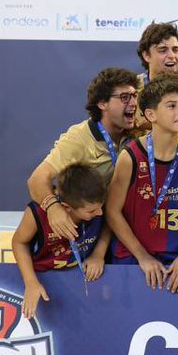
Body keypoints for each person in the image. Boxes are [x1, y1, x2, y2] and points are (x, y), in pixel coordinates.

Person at [105, 75, 178, 293]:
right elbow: (112, 211)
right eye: (172, 106)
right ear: (151, 114)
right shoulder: (131, 157)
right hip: (135, 259)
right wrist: (142, 256)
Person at [27, 67, 139, 241]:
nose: (133, 103)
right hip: (86, 229)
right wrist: (53, 208)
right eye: (125, 97)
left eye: (134, 95)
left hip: (118, 223)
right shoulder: (79, 138)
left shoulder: (137, 130)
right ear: (102, 104)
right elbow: (36, 179)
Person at [12, 163, 110, 318]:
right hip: (44, 277)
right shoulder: (37, 213)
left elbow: (108, 226)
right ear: (66, 207)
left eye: (101, 207)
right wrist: (30, 282)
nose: (99, 213)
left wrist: (98, 254)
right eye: (91, 211)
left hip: (79, 276)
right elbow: (19, 242)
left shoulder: (97, 206)